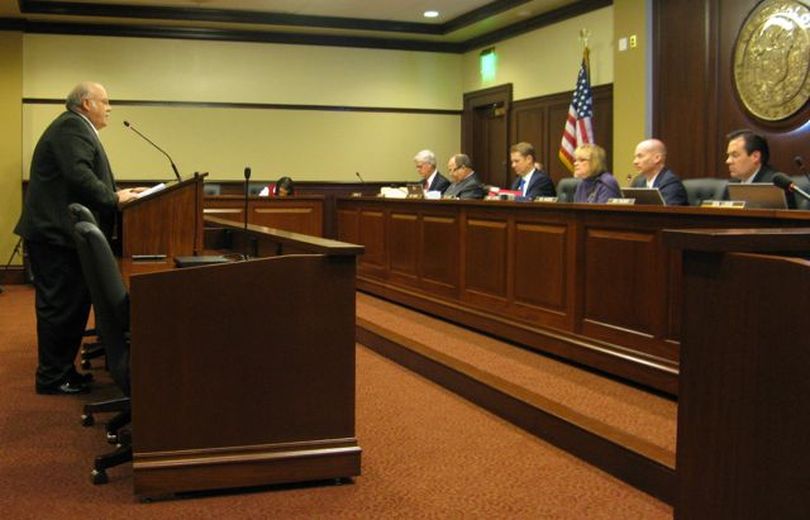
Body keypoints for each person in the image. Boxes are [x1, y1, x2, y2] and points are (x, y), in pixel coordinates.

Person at [14, 81, 144, 395]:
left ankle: (60, 372)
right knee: (60, 307)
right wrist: (114, 198)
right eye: (105, 100)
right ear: (86, 103)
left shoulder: (74, 127)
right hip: (54, 236)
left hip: (59, 235)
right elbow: (79, 175)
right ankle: (52, 377)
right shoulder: (72, 127)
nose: (110, 107)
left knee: (69, 306)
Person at [725, 129, 795, 208]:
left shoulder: (774, 185)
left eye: (735, 155)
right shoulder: (733, 183)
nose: (728, 161)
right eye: (728, 155)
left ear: (755, 157)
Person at [630, 139, 688, 205]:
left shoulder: (670, 182)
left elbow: (668, 212)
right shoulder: (638, 181)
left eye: (640, 156)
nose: (635, 162)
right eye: (635, 157)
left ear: (657, 158)